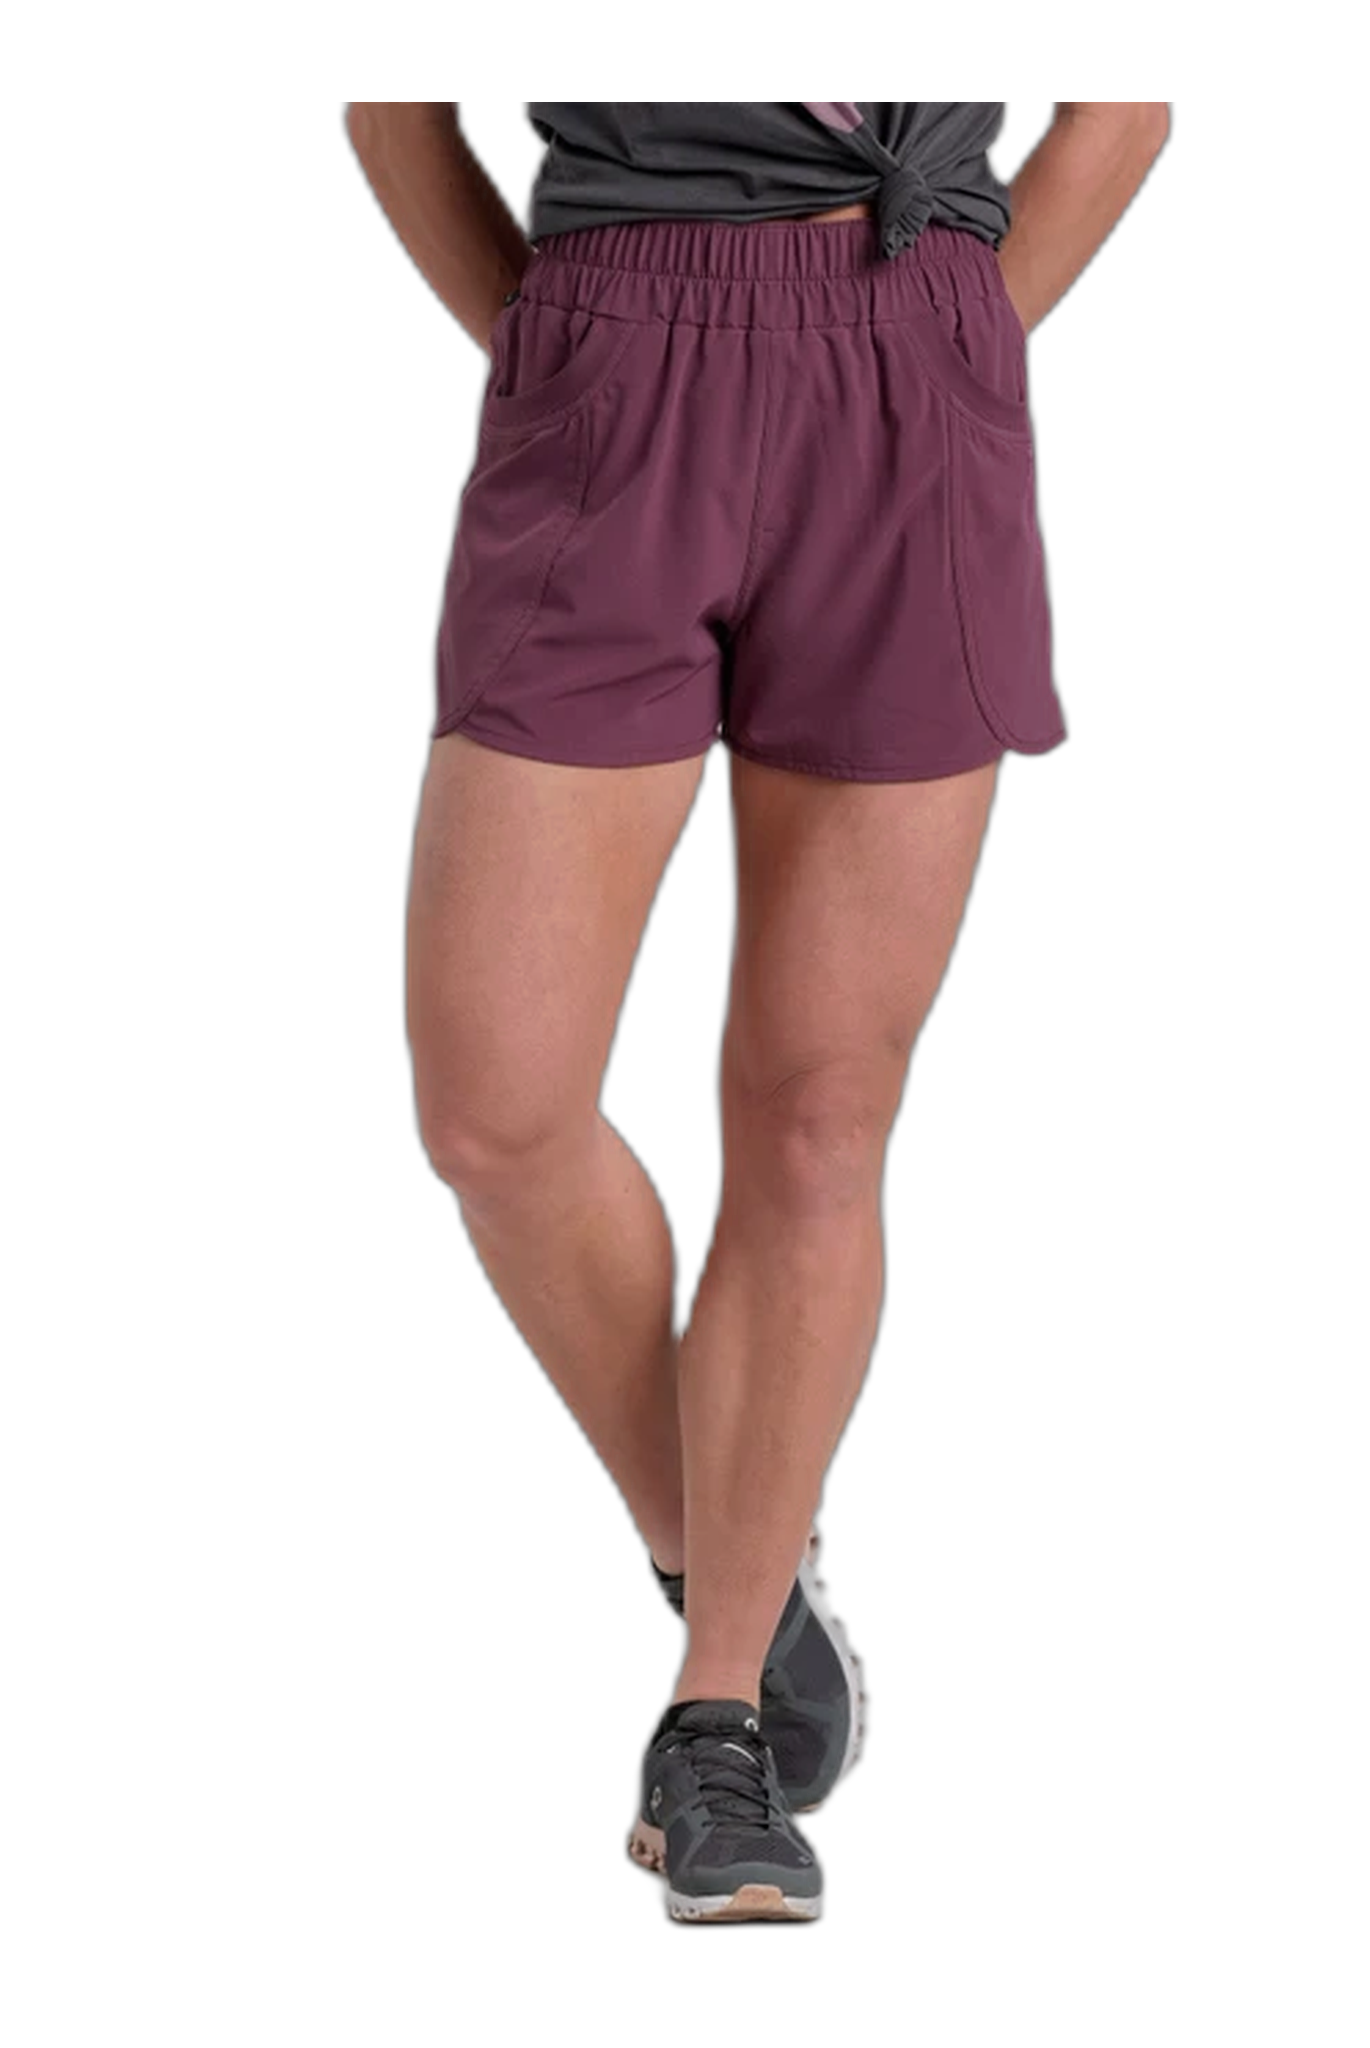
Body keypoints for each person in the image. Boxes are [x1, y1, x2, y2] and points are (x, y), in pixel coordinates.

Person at [345, 100, 1172, 1926]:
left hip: (913, 367)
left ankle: (713, 1716)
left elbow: (1124, 113)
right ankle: (733, 1543)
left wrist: (954, 343)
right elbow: (392, 114)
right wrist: (551, 344)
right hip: (607, 356)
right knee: (492, 1106)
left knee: (813, 1112)